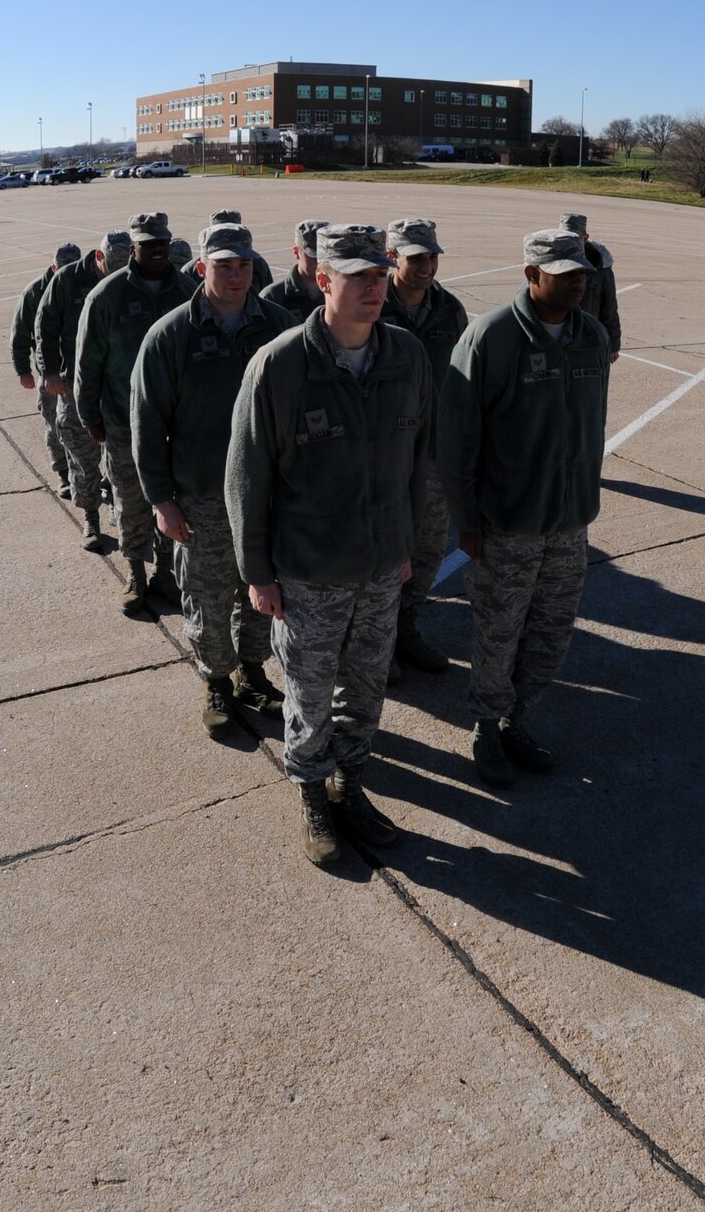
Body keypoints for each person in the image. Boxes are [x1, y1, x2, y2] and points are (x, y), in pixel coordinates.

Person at [226, 224, 429, 865]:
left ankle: (350, 784)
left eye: (379, 275)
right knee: (309, 693)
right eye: (356, 276)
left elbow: (415, 463)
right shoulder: (282, 365)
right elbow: (246, 476)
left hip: (377, 566)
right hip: (308, 571)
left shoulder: (405, 357)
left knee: (366, 688)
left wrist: (407, 548)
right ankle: (312, 792)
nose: (373, 288)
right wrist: (258, 573)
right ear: (323, 281)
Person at [438, 229, 609, 789]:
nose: (579, 281)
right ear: (532, 276)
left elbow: (590, 425)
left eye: (582, 271)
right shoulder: (490, 338)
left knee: (552, 634)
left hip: (568, 521)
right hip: (506, 524)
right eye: (565, 273)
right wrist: (466, 521)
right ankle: (487, 726)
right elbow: (457, 439)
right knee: (498, 631)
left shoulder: (591, 336)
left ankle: (518, 716)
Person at [132, 221, 286, 736]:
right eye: (224, 265)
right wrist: (161, 500)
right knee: (207, 593)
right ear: (202, 268)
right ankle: (216, 680)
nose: (237, 275)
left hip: (268, 496)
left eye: (244, 264)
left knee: (260, 590)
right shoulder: (171, 336)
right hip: (201, 496)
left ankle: (252, 671)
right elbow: (147, 424)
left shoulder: (280, 327)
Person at [75, 212, 196, 616]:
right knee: (130, 499)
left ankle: (165, 574)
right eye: (149, 242)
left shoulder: (187, 291)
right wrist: (89, 415)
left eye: (163, 240)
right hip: (123, 421)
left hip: (176, 422)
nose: (159, 248)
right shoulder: (107, 297)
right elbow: (87, 363)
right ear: (133, 248)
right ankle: (135, 574)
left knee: (172, 499)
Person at [379, 217, 466, 679]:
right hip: (382, 455)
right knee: (384, 551)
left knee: (428, 548)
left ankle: (405, 627)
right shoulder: (372, 302)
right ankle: (377, 643)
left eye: (432, 257)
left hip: (432, 453)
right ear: (393, 257)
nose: (427, 266)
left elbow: (462, 379)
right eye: (417, 258)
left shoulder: (449, 309)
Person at [37, 230, 132, 543]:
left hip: (116, 383)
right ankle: (91, 519)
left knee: (121, 457)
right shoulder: (67, 280)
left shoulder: (130, 278)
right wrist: (49, 370)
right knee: (81, 453)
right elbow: (45, 325)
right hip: (75, 383)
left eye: (125, 263)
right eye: (113, 264)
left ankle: (120, 515)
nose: (119, 271)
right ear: (99, 256)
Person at [12, 243, 83, 495]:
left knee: (80, 426)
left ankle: (86, 475)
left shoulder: (82, 283)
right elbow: (20, 333)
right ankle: (63, 474)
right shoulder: (35, 292)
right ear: (54, 267)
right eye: (63, 269)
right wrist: (23, 370)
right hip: (50, 370)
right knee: (54, 423)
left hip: (79, 369)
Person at [558, 213, 622, 352]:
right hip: (555, 336)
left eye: (574, 237)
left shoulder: (600, 266)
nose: (569, 242)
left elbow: (609, 306)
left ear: (585, 237)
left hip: (587, 337)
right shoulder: (549, 262)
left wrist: (613, 345)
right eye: (564, 237)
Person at [182, 211, 274, 292]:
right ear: (202, 270)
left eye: (244, 265)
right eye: (224, 266)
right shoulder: (192, 269)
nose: (236, 277)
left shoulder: (258, 264)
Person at [260, 219, 330, 323]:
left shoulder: (338, 293)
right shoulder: (273, 297)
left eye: (324, 255)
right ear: (296, 251)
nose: (320, 261)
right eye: (313, 255)